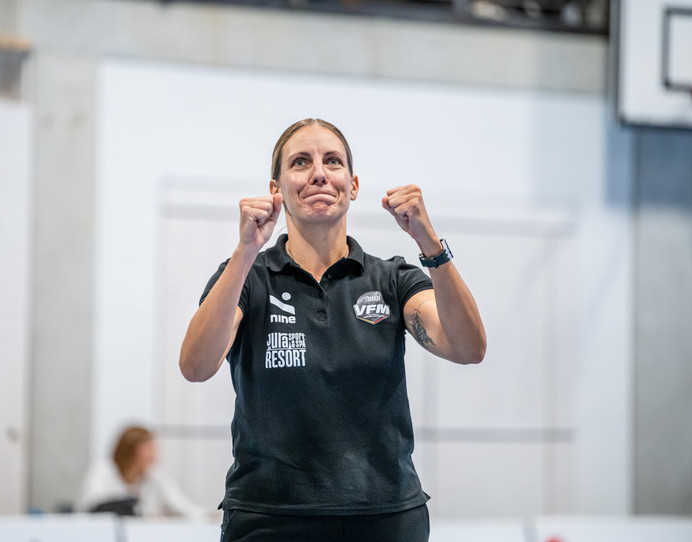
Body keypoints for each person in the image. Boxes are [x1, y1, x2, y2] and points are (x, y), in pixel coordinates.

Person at [179, 118, 486, 541]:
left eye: (332, 161)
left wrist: (430, 245)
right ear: (277, 189)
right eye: (301, 162)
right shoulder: (247, 278)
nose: (319, 173)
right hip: (269, 518)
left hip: (386, 518)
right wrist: (245, 251)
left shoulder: (393, 279)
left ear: (353, 185)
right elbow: (196, 366)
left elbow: (468, 347)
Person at [76, 425, 207, 519]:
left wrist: (207, 515)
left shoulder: (154, 475)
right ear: (131, 450)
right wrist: (145, 514)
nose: (154, 453)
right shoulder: (104, 470)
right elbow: (91, 505)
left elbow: (181, 505)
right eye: (148, 448)